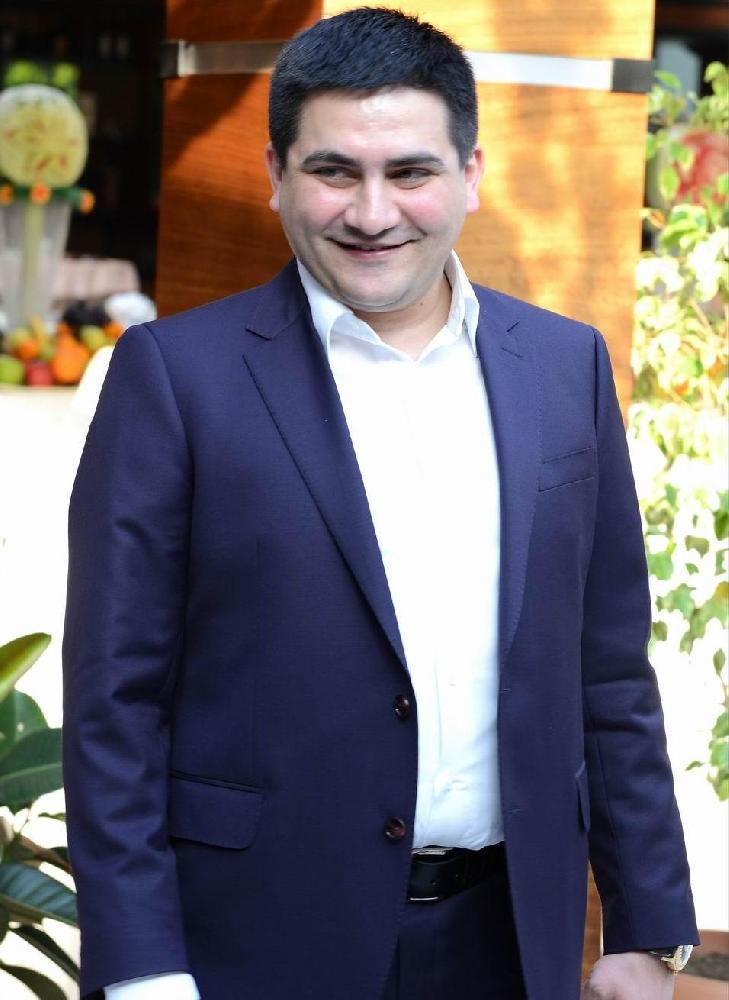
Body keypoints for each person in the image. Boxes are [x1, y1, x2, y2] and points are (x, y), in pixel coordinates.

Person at [62, 8, 699, 1000]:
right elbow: (116, 701)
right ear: (275, 174)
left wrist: (645, 923)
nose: (371, 212)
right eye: (333, 171)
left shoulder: (564, 366)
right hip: (254, 942)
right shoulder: (173, 378)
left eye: (409, 171)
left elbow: (608, 669)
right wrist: (143, 968)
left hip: (507, 942)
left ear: (470, 173)